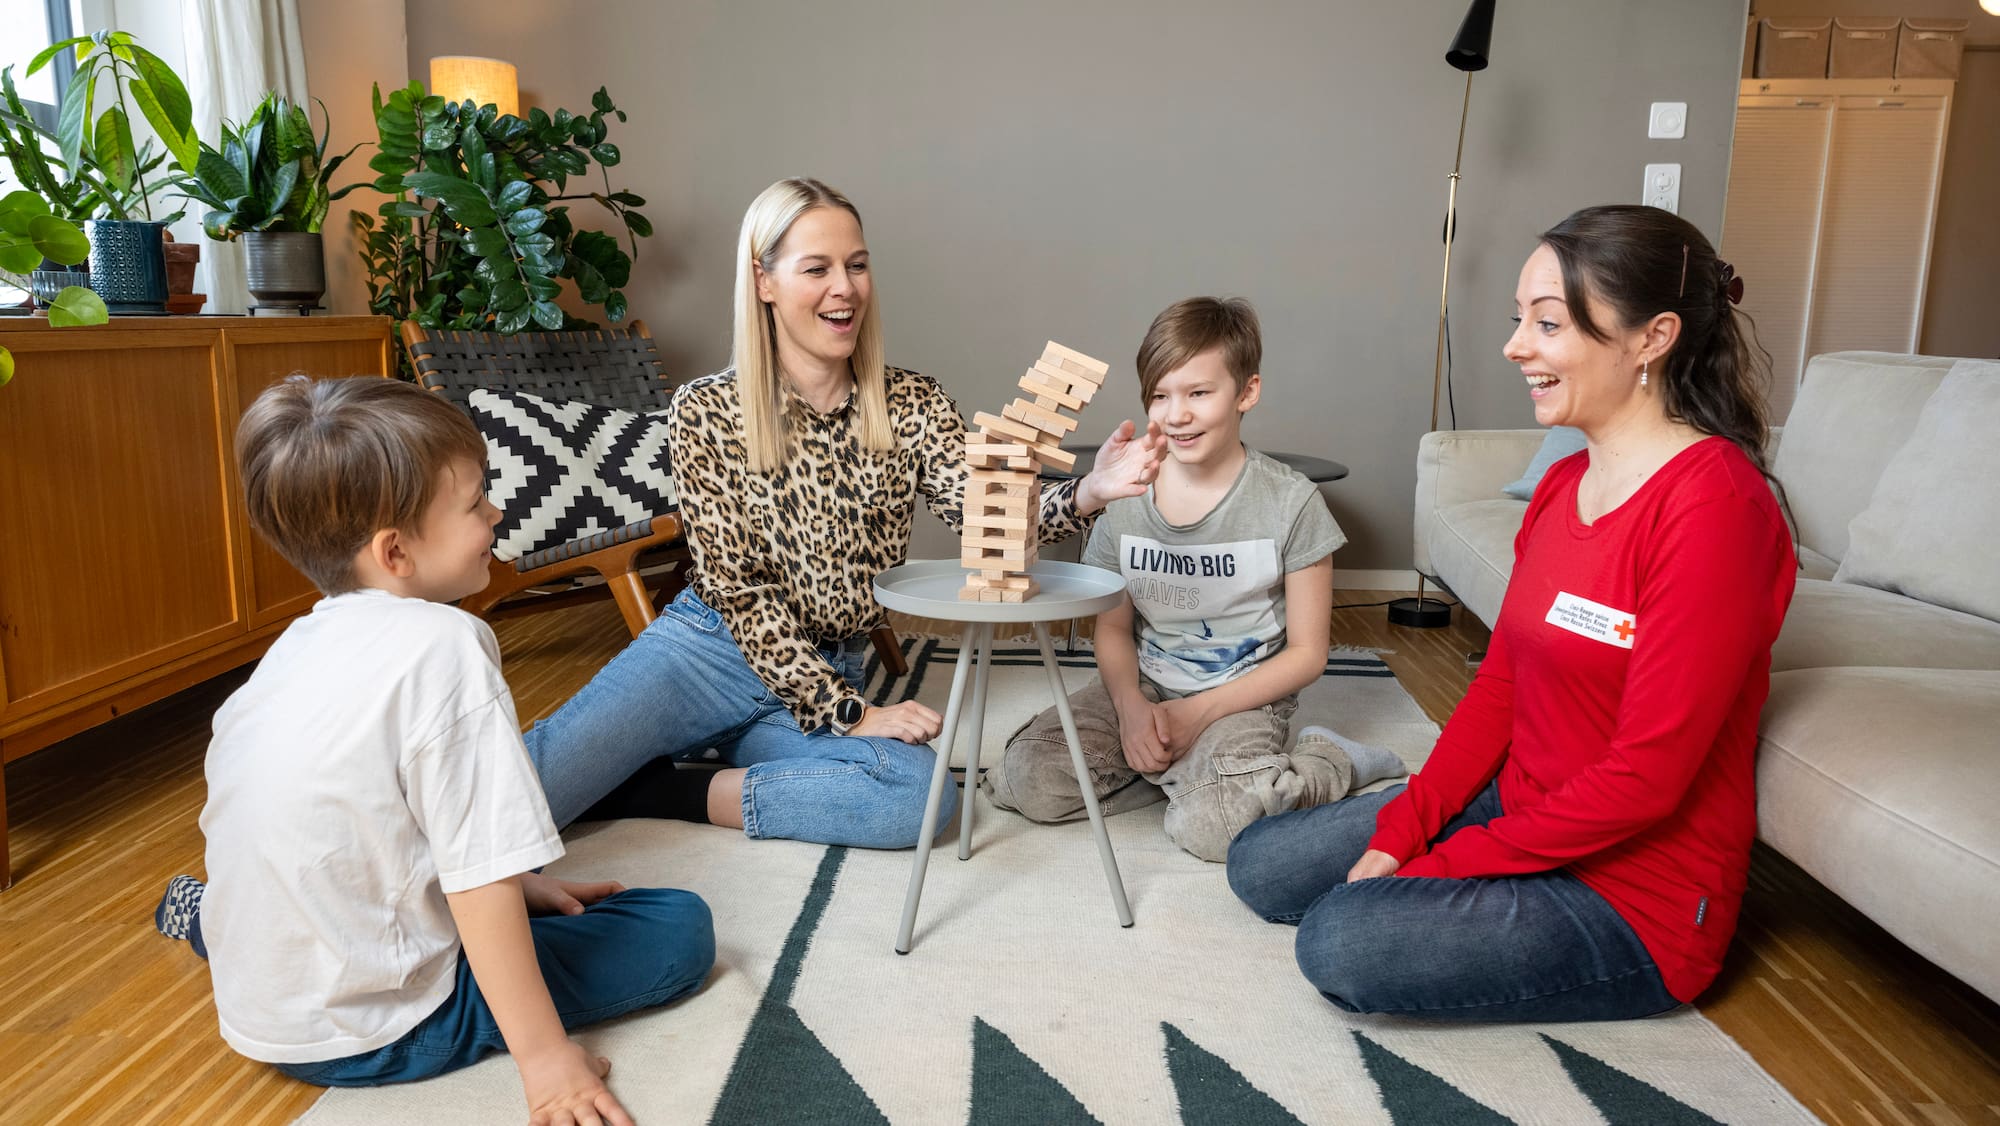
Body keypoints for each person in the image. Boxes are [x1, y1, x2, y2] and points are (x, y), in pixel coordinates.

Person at [1226, 205, 1797, 1021]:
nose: (1515, 345)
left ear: (1652, 337)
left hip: (1635, 890)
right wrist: (1406, 828)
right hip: (1527, 806)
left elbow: (1647, 780)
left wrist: (1444, 866)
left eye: (1548, 323)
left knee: (1342, 940)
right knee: (1260, 864)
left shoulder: (1716, 510)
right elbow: (1502, 688)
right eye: (1518, 320)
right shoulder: (1563, 487)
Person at [522, 177, 1167, 849]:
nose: (846, 287)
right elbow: (739, 591)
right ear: (764, 281)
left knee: (919, 800)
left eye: (857, 265)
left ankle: (667, 789)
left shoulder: (912, 402)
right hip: (710, 655)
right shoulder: (705, 411)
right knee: (521, 792)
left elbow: (987, 520)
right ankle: (666, 758)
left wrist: (1091, 491)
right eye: (818, 268)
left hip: (834, 662)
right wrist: (849, 715)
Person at [153, 376, 715, 1124]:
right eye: (475, 502)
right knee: (679, 928)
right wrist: (547, 1063)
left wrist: (522, 886)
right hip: (368, 1030)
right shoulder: (444, 644)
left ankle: (206, 920)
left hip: (258, 1000)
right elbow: (478, 879)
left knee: (530, 889)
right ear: (396, 552)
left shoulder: (291, 650)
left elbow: (375, 825)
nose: (495, 513)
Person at [984, 297, 1405, 861]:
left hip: (1240, 701)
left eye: (1198, 393)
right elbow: (1111, 631)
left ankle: (1330, 760)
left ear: (1247, 393)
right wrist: (1133, 709)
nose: (1175, 414)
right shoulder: (1126, 499)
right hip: (1146, 684)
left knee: (1215, 829)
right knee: (1026, 777)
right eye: (1160, 395)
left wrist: (1198, 713)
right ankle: (1178, 776)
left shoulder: (1290, 503)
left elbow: (1308, 654)